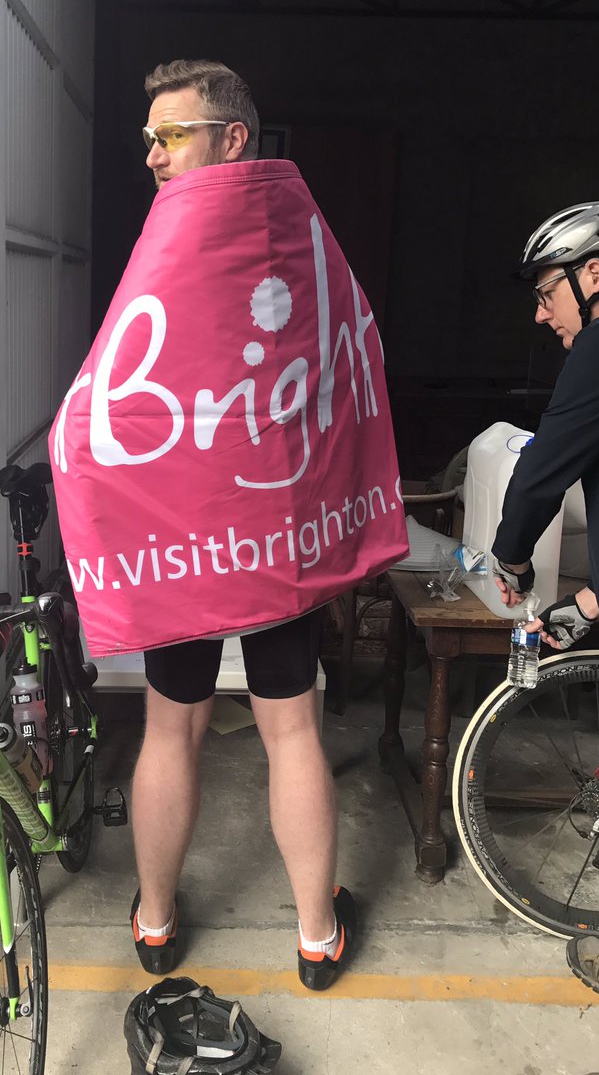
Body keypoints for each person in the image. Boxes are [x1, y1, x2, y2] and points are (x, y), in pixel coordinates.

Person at [126, 59, 390, 991]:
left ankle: (156, 926)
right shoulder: (298, 238)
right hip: (274, 531)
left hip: (181, 534)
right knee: (291, 728)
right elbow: (350, 361)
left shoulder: (170, 242)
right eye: (150, 138)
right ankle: (318, 936)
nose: (153, 155)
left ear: (233, 137)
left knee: (173, 727)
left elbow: (120, 388)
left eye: (172, 136)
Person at [489, 202, 599, 1072]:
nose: (543, 315)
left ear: (597, 274)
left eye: (549, 293)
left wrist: (511, 555)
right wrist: (597, 598)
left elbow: (544, 466)